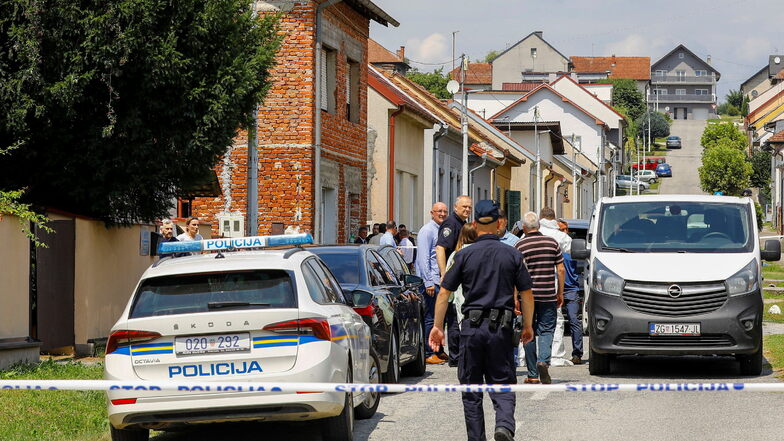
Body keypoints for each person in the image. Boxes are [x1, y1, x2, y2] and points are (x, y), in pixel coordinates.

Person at [429, 200, 534, 441]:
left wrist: (437, 326)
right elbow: (527, 294)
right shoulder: (513, 254)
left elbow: (445, 292)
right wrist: (527, 325)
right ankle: (504, 425)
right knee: (503, 382)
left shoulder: (463, 255)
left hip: (472, 331)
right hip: (501, 329)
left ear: (475, 224)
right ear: (499, 224)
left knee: (471, 390)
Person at [515, 212, 564, 385]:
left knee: (528, 331)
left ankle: (533, 374)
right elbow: (561, 270)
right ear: (538, 226)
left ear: (525, 227)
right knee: (547, 329)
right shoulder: (552, 243)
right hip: (548, 294)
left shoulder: (519, 245)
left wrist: (515, 298)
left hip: (527, 296)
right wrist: (560, 293)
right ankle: (543, 360)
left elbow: (515, 274)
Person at [436, 195, 472, 366]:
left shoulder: (461, 223)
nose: (467, 209)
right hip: (453, 274)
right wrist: (444, 273)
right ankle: (455, 357)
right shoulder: (451, 223)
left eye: (469, 207)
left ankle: (459, 355)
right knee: (453, 317)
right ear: (455, 207)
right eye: (464, 206)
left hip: (459, 273)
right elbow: (440, 248)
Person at [416, 202, 450, 365]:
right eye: (439, 211)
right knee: (431, 318)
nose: (442, 214)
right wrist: (428, 282)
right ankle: (430, 352)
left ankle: (438, 350)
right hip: (431, 282)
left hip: (439, 280)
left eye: (445, 211)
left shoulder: (441, 230)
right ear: (432, 213)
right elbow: (423, 259)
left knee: (439, 318)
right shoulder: (427, 231)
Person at [558, 219, 584, 364]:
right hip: (554, 289)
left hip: (571, 289)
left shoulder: (571, 248)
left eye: (565, 230)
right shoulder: (553, 246)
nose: (564, 233)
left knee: (574, 320)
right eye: (560, 230)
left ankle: (577, 354)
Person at [445, 224, 478, 323]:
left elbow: (448, 278)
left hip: (460, 300)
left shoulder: (456, 255)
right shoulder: (482, 253)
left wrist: (449, 299)